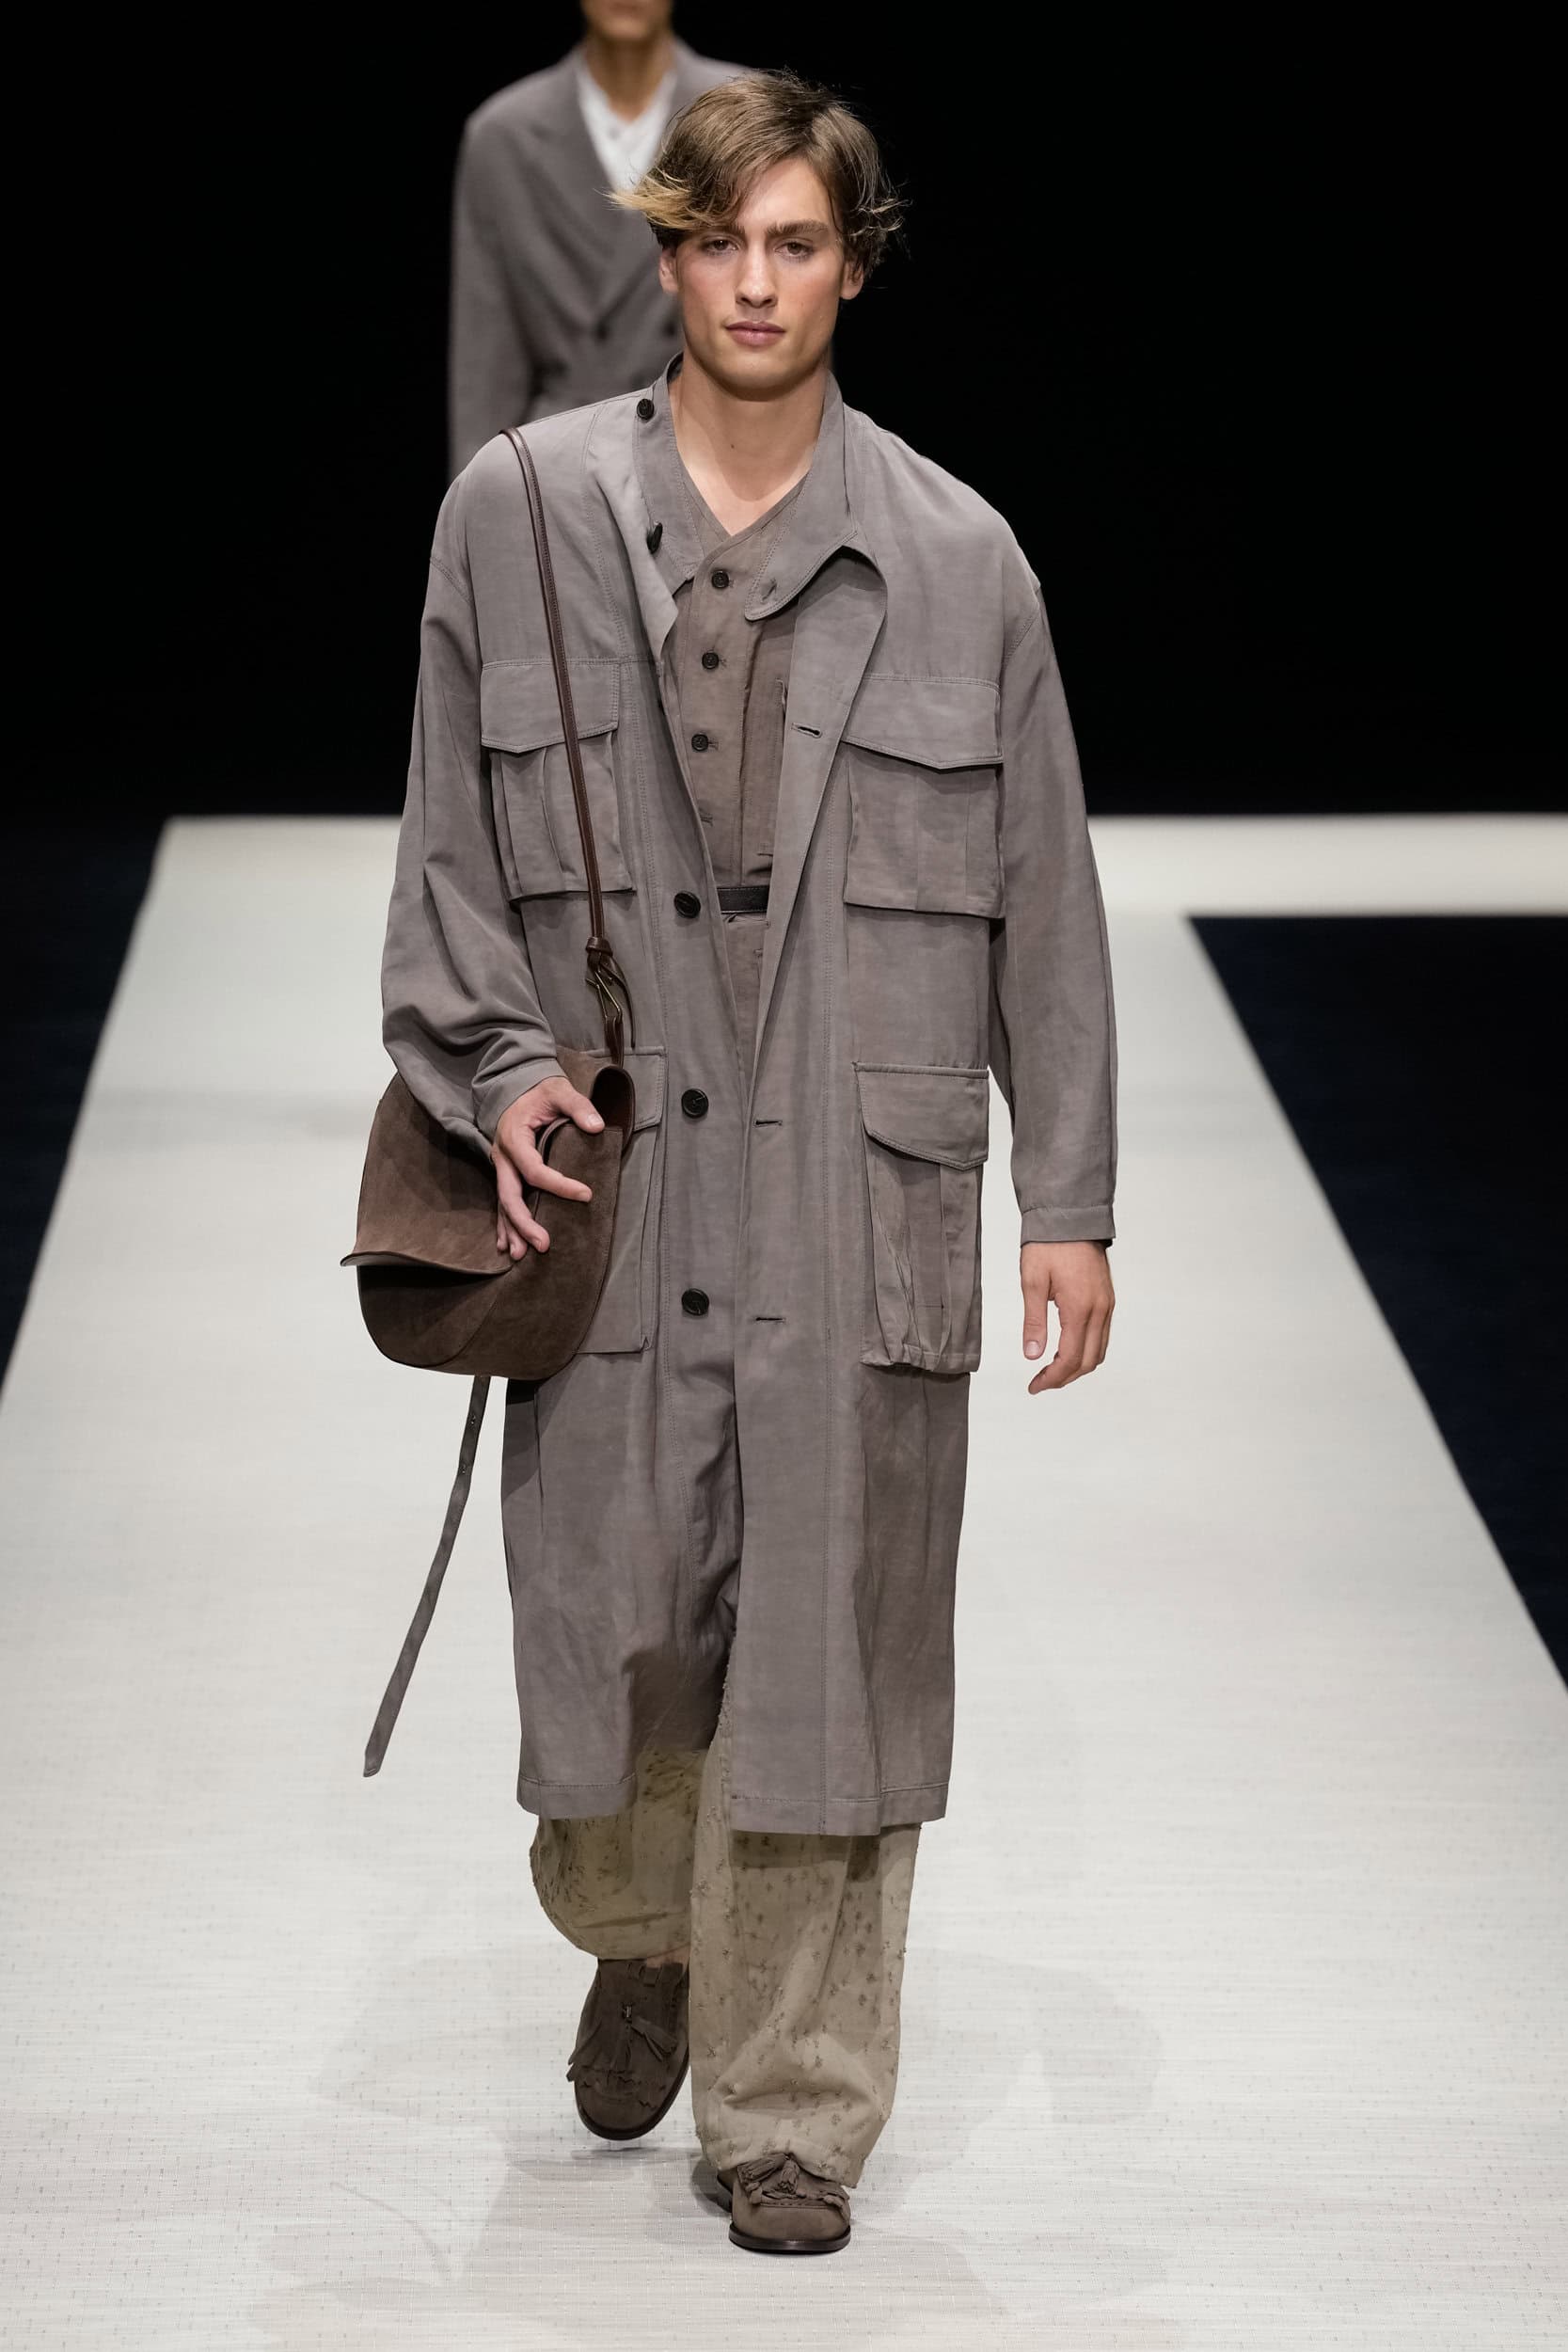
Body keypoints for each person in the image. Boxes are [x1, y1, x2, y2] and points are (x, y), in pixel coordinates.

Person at [382, 69, 1117, 2256]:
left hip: (850, 1177)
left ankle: (790, 2103)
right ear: (668, 258)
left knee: (829, 1645)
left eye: (797, 242)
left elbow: (1041, 893)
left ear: (852, 268)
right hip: (620, 1178)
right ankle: (652, 1926)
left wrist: (1064, 1195)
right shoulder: (517, 515)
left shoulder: (960, 562)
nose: (756, 281)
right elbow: (446, 842)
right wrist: (492, 1064)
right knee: (615, 1648)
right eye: (718, 241)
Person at [448, 0, 736, 473]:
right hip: (556, 469)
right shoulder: (503, 135)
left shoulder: (741, 114)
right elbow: (487, 360)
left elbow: (794, 320)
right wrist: (476, 502)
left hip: (716, 457)